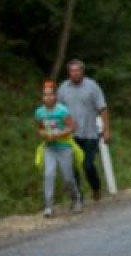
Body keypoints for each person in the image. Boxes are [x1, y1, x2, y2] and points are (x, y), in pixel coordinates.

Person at [57, 59, 109, 201]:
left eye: (77, 70)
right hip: (70, 134)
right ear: (68, 73)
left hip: (90, 133)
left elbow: (102, 108)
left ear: (82, 71)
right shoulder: (63, 88)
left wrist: (106, 130)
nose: (75, 74)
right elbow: (57, 112)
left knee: (88, 165)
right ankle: (77, 196)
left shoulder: (92, 86)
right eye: (72, 71)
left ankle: (96, 187)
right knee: (72, 166)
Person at [35, 81, 82, 217]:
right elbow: (39, 130)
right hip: (49, 148)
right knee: (48, 175)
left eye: (50, 95)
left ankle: (76, 199)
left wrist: (58, 134)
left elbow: (72, 127)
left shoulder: (62, 110)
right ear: (42, 97)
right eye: (45, 95)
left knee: (68, 177)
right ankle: (49, 206)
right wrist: (45, 135)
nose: (48, 97)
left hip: (64, 147)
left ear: (55, 96)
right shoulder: (39, 112)